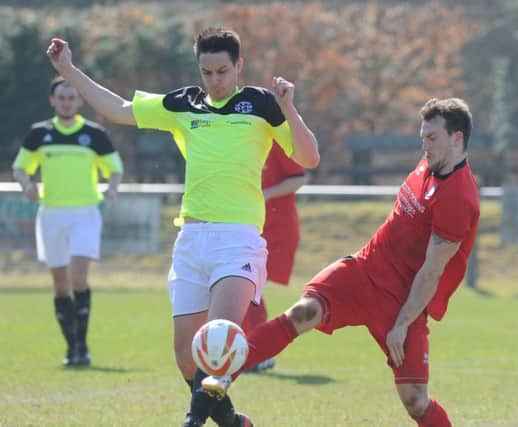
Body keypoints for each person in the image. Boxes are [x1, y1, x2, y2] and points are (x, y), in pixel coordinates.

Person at [47, 27, 319, 427]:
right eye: (207, 72)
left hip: (237, 240)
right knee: (185, 355)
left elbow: (310, 157)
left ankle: (193, 420)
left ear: (239, 66)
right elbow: (120, 109)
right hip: (191, 239)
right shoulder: (184, 103)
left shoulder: (262, 104)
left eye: (223, 71)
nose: (215, 80)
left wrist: (290, 108)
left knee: (219, 336)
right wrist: (69, 71)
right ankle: (230, 421)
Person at [204, 98, 479, 427]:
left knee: (416, 401)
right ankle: (224, 372)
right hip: (362, 272)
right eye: (423, 137)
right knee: (302, 312)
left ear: (457, 138)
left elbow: (432, 271)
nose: (425, 145)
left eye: (432, 137)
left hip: (401, 301)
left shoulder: (459, 198)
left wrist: (402, 324)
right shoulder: (428, 164)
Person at [12, 76, 123, 367]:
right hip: (50, 214)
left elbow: (115, 168)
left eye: (72, 97)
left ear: (80, 101)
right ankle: (71, 347)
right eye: (61, 97)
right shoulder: (39, 134)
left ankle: (83, 346)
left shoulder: (94, 134)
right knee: (61, 286)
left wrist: (111, 187)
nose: (66, 102)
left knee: (78, 279)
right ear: (53, 101)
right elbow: (21, 167)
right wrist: (26, 184)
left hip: (85, 214)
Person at [242, 142, 306, 372]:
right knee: (245, 285)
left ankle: (258, 351)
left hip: (275, 228)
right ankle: (250, 350)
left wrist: (264, 194)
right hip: (250, 225)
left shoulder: (276, 141)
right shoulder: (241, 139)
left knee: (248, 285)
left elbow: (299, 178)